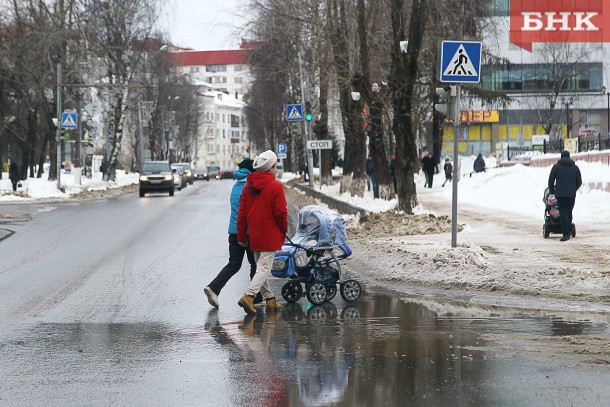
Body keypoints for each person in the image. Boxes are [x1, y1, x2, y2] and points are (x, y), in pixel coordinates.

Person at [204, 158, 261, 308]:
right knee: (255, 264)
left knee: (234, 264)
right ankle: (254, 296)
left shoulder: (236, 185)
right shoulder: (250, 187)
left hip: (233, 232)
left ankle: (214, 288)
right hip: (246, 233)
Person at [237, 150, 288, 314]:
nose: (276, 169)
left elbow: (242, 213)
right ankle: (249, 296)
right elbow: (281, 213)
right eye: (275, 166)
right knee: (264, 268)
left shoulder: (248, 188)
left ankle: (270, 299)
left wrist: (241, 235)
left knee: (261, 267)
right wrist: (284, 229)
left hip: (255, 235)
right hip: (270, 234)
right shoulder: (276, 186)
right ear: (270, 168)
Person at [548, 150, 582, 241]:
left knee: (563, 212)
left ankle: (566, 233)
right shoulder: (575, 168)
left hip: (560, 194)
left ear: (561, 157)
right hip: (571, 195)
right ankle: (569, 230)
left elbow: (551, 181)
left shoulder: (556, 167)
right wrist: (573, 189)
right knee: (569, 211)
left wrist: (552, 192)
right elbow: (579, 181)